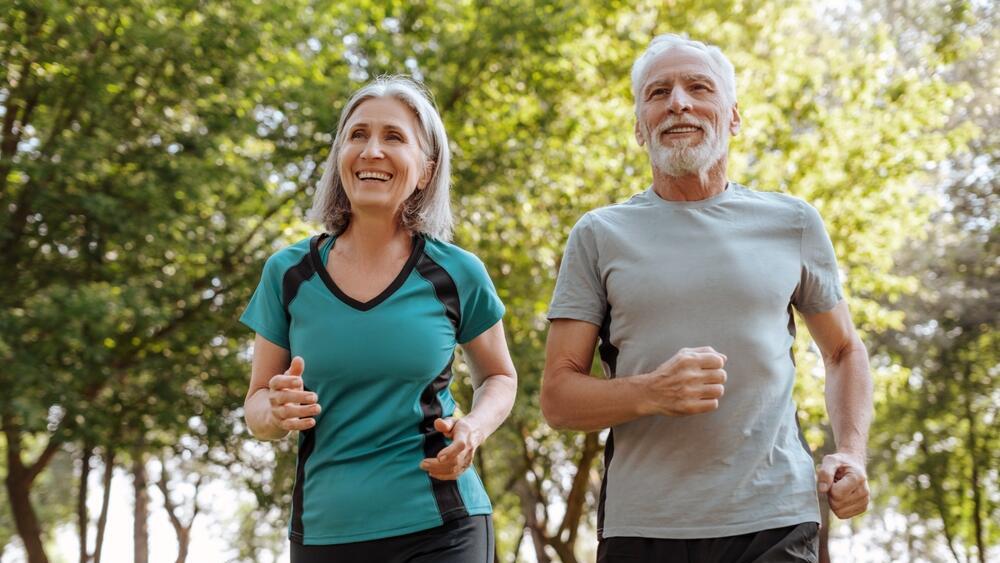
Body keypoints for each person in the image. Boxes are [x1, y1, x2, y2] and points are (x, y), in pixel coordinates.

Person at [541, 34, 873, 563]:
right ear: (638, 127)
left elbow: (843, 351)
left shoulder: (792, 222)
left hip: (776, 519)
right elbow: (557, 398)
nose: (678, 102)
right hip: (644, 525)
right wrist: (650, 392)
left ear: (733, 116)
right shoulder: (599, 234)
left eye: (699, 87)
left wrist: (852, 453)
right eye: (658, 93)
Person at [240, 75, 516, 563]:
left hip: (442, 525)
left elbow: (498, 376)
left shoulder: (457, 273)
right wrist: (276, 412)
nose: (372, 151)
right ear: (339, 157)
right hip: (326, 531)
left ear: (426, 171)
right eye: (358, 135)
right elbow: (257, 407)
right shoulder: (287, 274)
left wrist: (474, 427)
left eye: (394, 137)